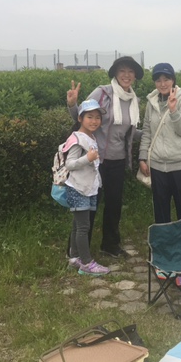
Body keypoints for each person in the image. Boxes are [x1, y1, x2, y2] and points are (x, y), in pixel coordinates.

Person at [66, 56, 144, 258]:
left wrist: (151, 134)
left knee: (114, 205)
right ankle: (77, 250)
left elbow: (128, 132)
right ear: (115, 74)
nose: (126, 75)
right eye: (122, 71)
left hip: (117, 161)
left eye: (130, 71)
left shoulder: (134, 100)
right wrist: (73, 105)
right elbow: (82, 117)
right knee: (89, 205)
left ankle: (110, 245)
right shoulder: (102, 93)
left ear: (135, 76)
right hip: (95, 161)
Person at [138, 63, 181, 246]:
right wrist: (142, 157)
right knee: (161, 211)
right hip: (157, 166)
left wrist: (173, 110)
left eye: (166, 79)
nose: (162, 84)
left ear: (173, 80)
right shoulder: (151, 102)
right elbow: (147, 131)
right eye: (158, 80)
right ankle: (165, 247)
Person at [65, 99, 110, 276]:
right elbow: (69, 164)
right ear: (80, 119)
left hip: (89, 187)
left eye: (97, 117)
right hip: (78, 188)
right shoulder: (77, 138)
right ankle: (87, 263)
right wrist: (87, 159)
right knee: (83, 227)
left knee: (78, 225)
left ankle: (74, 258)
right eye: (89, 117)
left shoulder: (91, 137)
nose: (94, 121)